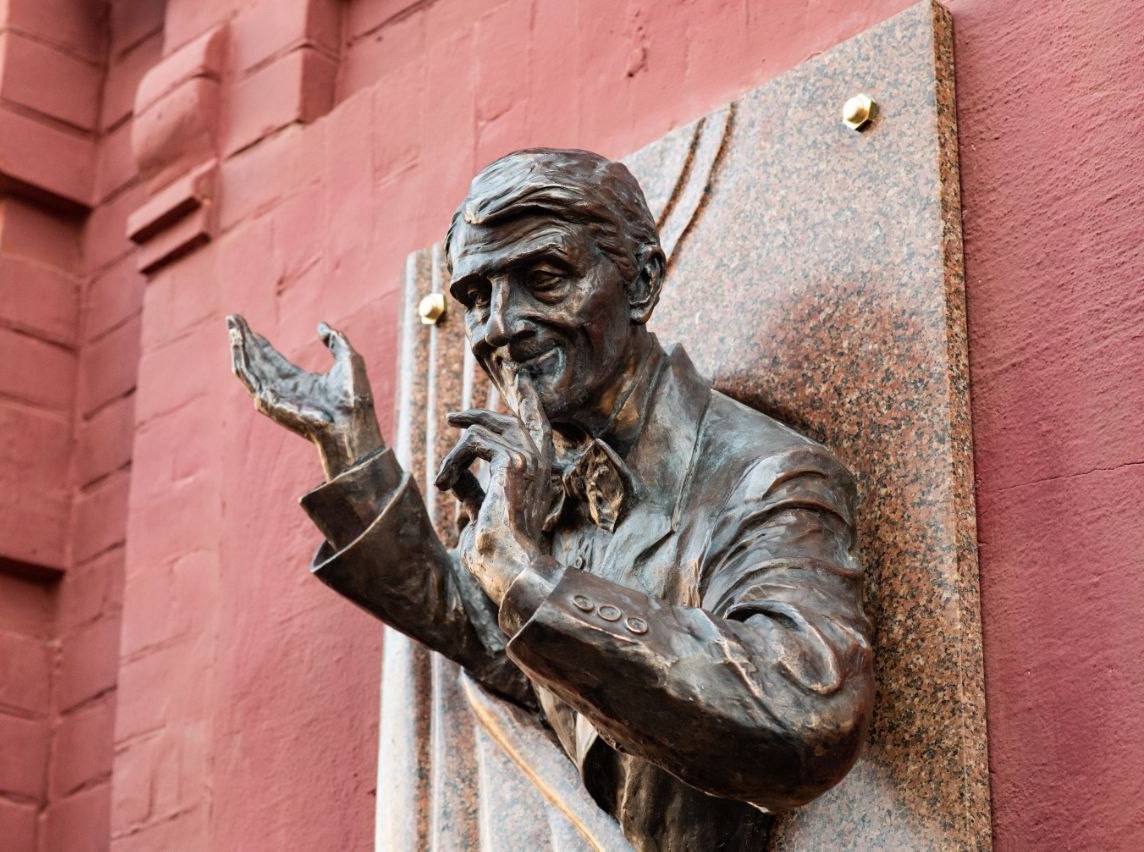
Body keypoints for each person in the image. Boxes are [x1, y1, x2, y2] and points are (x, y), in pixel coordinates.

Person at [227, 149, 873, 850]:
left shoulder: (765, 474)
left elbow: (806, 717)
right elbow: (496, 634)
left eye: (543, 279)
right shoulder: (546, 471)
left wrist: (526, 574)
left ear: (641, 283)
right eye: (478, 298)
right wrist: (356, 458)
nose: (501, 326)